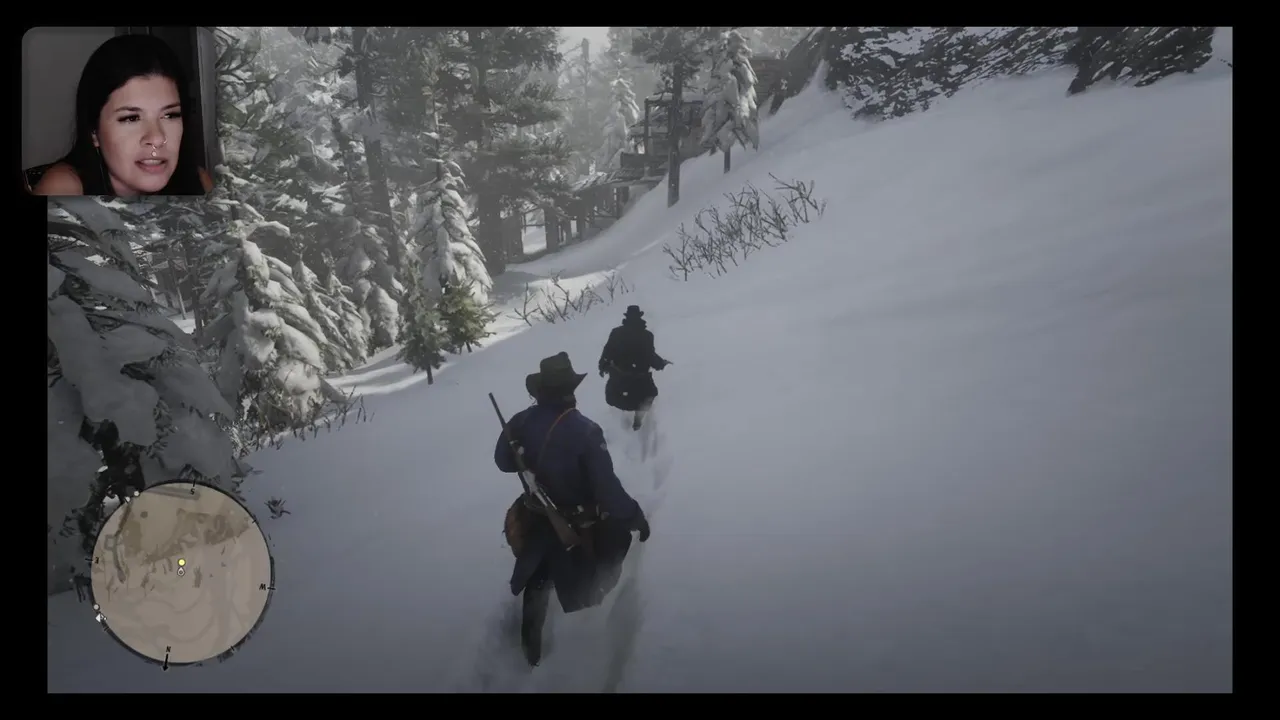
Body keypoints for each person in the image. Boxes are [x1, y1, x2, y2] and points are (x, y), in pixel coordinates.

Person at [494, 351, 651, 666]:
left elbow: (503, 462)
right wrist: (635, 516)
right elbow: (607, 491)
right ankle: (592, 627)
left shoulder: (520, 421)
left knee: (538, 577)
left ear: (540, 390)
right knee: (613, 545)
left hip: (536, 515)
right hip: (579, 521)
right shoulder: (585, 430)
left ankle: (530, 650)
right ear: (570, 390)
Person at [30, 34, 214, 197]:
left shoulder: (198, 183)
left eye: (170, 115)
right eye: (131, 118)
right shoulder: (63, 191)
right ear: (94, 131)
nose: (157, 138)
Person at [598, 305, 671, 430]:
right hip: (640, 383)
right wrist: (661, 364)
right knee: (649, 395)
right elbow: (651, 357)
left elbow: (607, 354)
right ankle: (638, 419)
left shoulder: (616, 333)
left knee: (615, 395)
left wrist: (603, 367)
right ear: (640, 318)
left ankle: (620, 424)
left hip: (619, 383)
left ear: (626, 317)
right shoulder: (647, 336)